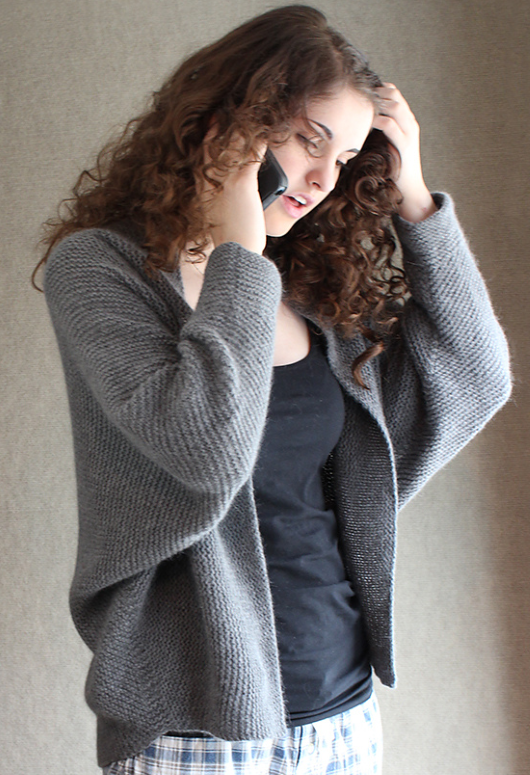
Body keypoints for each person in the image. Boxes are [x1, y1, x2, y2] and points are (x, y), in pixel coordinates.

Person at [35, 5, 512, 774]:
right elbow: (206, 449)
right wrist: (239, 254)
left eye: (346, 158)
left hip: (343, 713)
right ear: (232, 123)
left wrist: (416, 200)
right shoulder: (102, 269)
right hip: (193, 730)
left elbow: (477, 375)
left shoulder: (312, 289)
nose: (324, 180)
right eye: (309, 140)